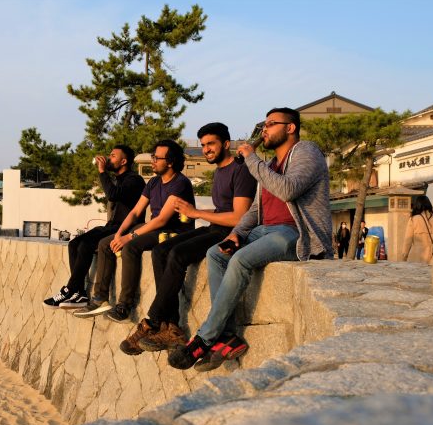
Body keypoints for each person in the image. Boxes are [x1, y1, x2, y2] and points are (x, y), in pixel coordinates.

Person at [168, 107, 333, 372]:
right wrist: (236, 234)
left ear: (290, 128)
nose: (264, 130)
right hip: (265, 230)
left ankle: (204, 338)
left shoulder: (306, 151)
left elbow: (288, 190)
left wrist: (252, 160)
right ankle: (228, 336)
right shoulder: (268, 166)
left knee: (241, 260)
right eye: (263, 125)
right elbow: (256, 210)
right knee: (216, 253)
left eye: (271, 124)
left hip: (297, 234)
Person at [119, 123, 256, 355]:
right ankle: (172, 327)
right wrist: (199, 214)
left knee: (177, 254)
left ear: (225, 144)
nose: (206, 149)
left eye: (210, 144)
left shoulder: (241, 170)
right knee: (161, 251)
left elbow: (239, 217)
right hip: (215, 227)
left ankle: (153, 322)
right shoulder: (220, 171)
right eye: (202, 145)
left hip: (230, 233)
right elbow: (220, 211)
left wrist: (195, 213)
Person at [74, 139, 195, 322]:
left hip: (173, 231)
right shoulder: (154, 182)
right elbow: (136, 211)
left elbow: (162, 219)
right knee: (105, 243)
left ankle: (125, 306)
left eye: (157, 158)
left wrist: (130, 237)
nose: (153, 161)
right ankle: (100, 298)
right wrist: (119, 234)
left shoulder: (180, 183)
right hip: (155, 226)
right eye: (153, 156)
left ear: (170, 162)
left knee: (131, 247)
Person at [43, 145, 145, 308]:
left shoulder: (134, 180)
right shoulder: (120, 179)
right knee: (74, 244)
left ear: (124, 161)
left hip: (124, 227)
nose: (109, 158)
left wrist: (102, 171)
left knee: (86, 245)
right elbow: (113, 193)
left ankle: (70, 289)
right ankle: (79, 293)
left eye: (113, 156)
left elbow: (113, 194)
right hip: (111, 225)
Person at [401, 195, 433, 264]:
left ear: (417, 205)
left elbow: (407, 240)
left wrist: (404, 256)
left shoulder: (413, 220)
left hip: (416, 258)